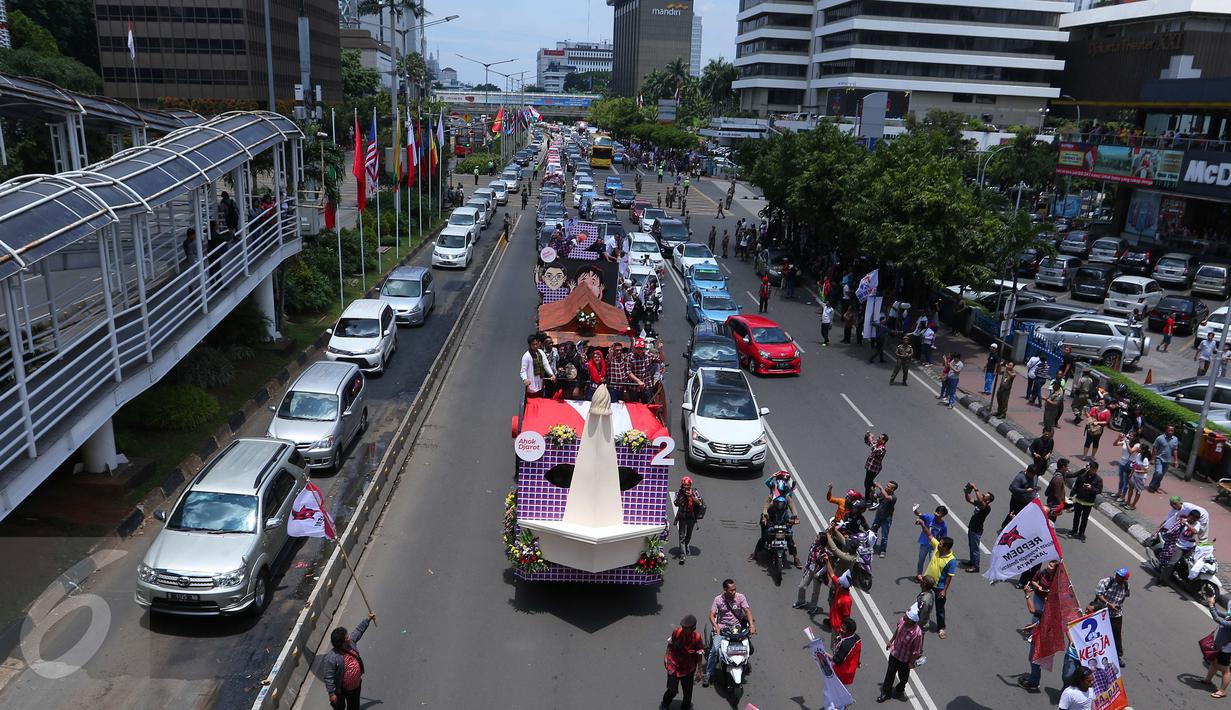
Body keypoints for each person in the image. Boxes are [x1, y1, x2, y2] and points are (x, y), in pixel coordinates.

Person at [704, 579, 756, 686]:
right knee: (714, 650)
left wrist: (751, 625)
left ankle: (744, 663)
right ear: (725, 590)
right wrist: (716, 626)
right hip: (723, 629)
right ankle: (709, 673)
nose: (734, 592)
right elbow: (711, 615)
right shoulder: (718, 600)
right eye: (731, 590)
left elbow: (747, 611)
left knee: (749, 648)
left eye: (735, 590)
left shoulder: (740, 597)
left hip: (738, 628)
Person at [322, 612, 377, 710]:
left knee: (354, 707)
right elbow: (328, 677)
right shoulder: (331, 658)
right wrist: (332, 694)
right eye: (347, 637)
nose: (349, 637)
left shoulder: (350, 643)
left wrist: (368, 619)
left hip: (355, 687)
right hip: (341, 690)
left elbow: (358, 631)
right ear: (341, 643)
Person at [917, 520, 957, 638]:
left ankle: (941, 628)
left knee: (939, 608)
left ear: (946, 547)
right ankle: (919, 622)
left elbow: (949, 577)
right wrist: (923, 525)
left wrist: (944, 590)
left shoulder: (951, 560)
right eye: (939, 543)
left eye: (941, 544)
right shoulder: (937, 548)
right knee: (922, 603)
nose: (938, 544)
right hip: (927, 582)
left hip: (939, 587)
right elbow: (929, 535)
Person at [877, 609, 924, 703]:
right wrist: (891, 641)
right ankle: (886, 693)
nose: (904, 617)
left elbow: (916, 651)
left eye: (907, 616)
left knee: (904, 678)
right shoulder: (902, 621)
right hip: (895, 654)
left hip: (905, 660)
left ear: (912, 621)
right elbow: (897, 631)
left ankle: (900, 689)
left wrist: (911, 663)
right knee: (890, 674)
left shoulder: (917, 634)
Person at [1087, 568, 1130, 666]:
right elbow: (1098, 594)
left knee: (1116, 636)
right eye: (1117, 575)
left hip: (1115, 615)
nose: (1118, 577)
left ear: (1125, 579)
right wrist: (1109, 604)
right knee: (1095, 633)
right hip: (1101, 612)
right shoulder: (1106, 582)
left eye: (1121, 576)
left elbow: (1124, 597)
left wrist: (1117, 606)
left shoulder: (1126, 586)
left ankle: (1117, 656)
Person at [661, 614, 705, 709]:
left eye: (686, 628)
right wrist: (666, 656)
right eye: (683, 627)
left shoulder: (697, 638)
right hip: (674, 665)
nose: (683, 629)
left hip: (688, 669)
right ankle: (665, 703)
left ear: (693, 628)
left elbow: (699, 654)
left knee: (687, 693)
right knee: (672, 690)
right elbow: (670, 645)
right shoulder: (676, 632)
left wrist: (699, 670)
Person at [752, 496, 801, 568]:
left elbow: (788, 518)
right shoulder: (771, 508)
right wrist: (765, 519)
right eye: (779, 504)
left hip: (783, 527)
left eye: (782, 504)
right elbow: (766, 512)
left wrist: (794, 520)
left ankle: (795, 558)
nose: (780, 506)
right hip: (773, 526)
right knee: (764, 537)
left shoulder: (785, 511)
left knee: (790, 539)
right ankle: (755, 553)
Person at [795, 530, 828, 613]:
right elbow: (809, 557)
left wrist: (818, 574)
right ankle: (801, 601)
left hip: (818, 572)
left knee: (815, 592)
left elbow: (826, 566)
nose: (816, 538)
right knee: (801, 586)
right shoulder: (813, 545)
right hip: (810, 569)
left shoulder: (825, 551)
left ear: (821, 540)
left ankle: (813, 606)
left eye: (818, 537)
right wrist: (806, 568)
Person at [1204, 596, 1231, 699]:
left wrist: (1211, 605)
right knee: (1214, 663)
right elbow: (1222, 614)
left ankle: (1222, 691)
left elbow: (1217, 619)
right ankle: (1207, 680)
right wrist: (1213, 606)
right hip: (1220, 645)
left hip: (1226, 649)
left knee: (1225, 670)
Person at [963, 484, 993, 573]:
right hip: (972, 528)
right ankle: (972, 561)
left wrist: (976, 489)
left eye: (984, 496)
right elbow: (969, 500)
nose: (982, 496)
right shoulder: (980, 503)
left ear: (988, 500)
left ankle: (976, 566)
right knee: (971, 546)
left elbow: (981, 502)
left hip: (976, 530)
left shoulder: (987, 507)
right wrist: (967, 492)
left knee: (975, 548)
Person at [1069, 462, 1102, 541]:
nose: (1093, 471)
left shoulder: (1098, 479)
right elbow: (1076, 486)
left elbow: (1099, 491)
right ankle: (1074, 530)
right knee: (1076, 516)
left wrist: (1091, 488)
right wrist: (1071, 496)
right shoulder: (1082, 475)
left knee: (1084, 519)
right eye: (1092, 469)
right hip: (1079, 499)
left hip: (1088, 502)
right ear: (1089, 468)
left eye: (1095, 470)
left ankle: (1081, 533)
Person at [674, 476, 703, 565]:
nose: (685, 487)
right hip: (683, 516)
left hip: (692, 517)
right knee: (681, 535)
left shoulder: (694, 491)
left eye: (686, 485)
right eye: (683, 485)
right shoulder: (680, 492)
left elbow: (700, 503)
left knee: (689, 534)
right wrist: (681, 497)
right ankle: (682, 554)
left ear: (690, 485)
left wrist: (691, 496)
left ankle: (686, 545)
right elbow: (676, 503)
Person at [824, 552, 854, 636]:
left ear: (842, 585)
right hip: (834, 626)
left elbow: (847, 618)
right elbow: (832, 574)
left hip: (838, 630)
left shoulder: (846, 600)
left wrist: (843, 632)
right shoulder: (839, 587)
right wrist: (827, 561)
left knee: (835, 648)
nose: (837, 581)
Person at [914, 505, 948, 576]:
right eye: (936, 511)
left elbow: (943, 538)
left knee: (932, 563)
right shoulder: (929, 517)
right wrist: (915, 508)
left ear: (943, 515)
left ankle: (930, 578)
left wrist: (942, 549)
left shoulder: (944, 526)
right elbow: (918, 514)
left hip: (934, 547)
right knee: (921, 560)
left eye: (939, 513)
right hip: (924, 544)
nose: (936, 514)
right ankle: (919, 575)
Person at [830, 618, 862, 687]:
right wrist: (858, 662)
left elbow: (837, 661)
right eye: (841, 627)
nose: (840, 630)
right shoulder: (857, 638)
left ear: (850, 632)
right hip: (849, 673)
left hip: (841, 675)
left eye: (844, 629)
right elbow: (857, 652)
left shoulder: (845, 645)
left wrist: (825, 654)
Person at [870, 481, 898, 558]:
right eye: (887, 485)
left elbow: (887, 497)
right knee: (873, 532)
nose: (886, 487)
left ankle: (883, 550)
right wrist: (872, 490)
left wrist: (880, 487)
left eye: (889, 487)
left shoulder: (893, 497)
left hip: (886, 519)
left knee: (884, 536)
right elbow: (873, 497)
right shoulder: (882, 493)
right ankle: (872, 546)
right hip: (878, 516)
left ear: (893, 490)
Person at [1149, 425, 1180, 492]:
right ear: (1166, 430)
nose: (1171, 432)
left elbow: (1175, 450)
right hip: (1159, 458)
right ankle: (1151, 486)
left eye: (1172, 430)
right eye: (1169, 430)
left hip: (1167, 460)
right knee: (1158, 472)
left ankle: (1156, 487)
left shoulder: (1175, 439)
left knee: (1161, 475)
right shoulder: (1160, 438)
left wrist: (1176, 460)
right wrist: (1153, 459)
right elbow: (1155, 448)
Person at [862, 431, 888, 499]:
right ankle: (871, 495)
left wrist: (871, 438)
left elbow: (874, 450)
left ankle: (867, 499)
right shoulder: (876, 444)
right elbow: (867, 443)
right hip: (870, 466)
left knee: (867, 484)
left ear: (883, 441)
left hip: (874, 469)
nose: (878, 438)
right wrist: (867, 436)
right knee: (868, 483)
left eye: (879, 438)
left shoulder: (882, 449)